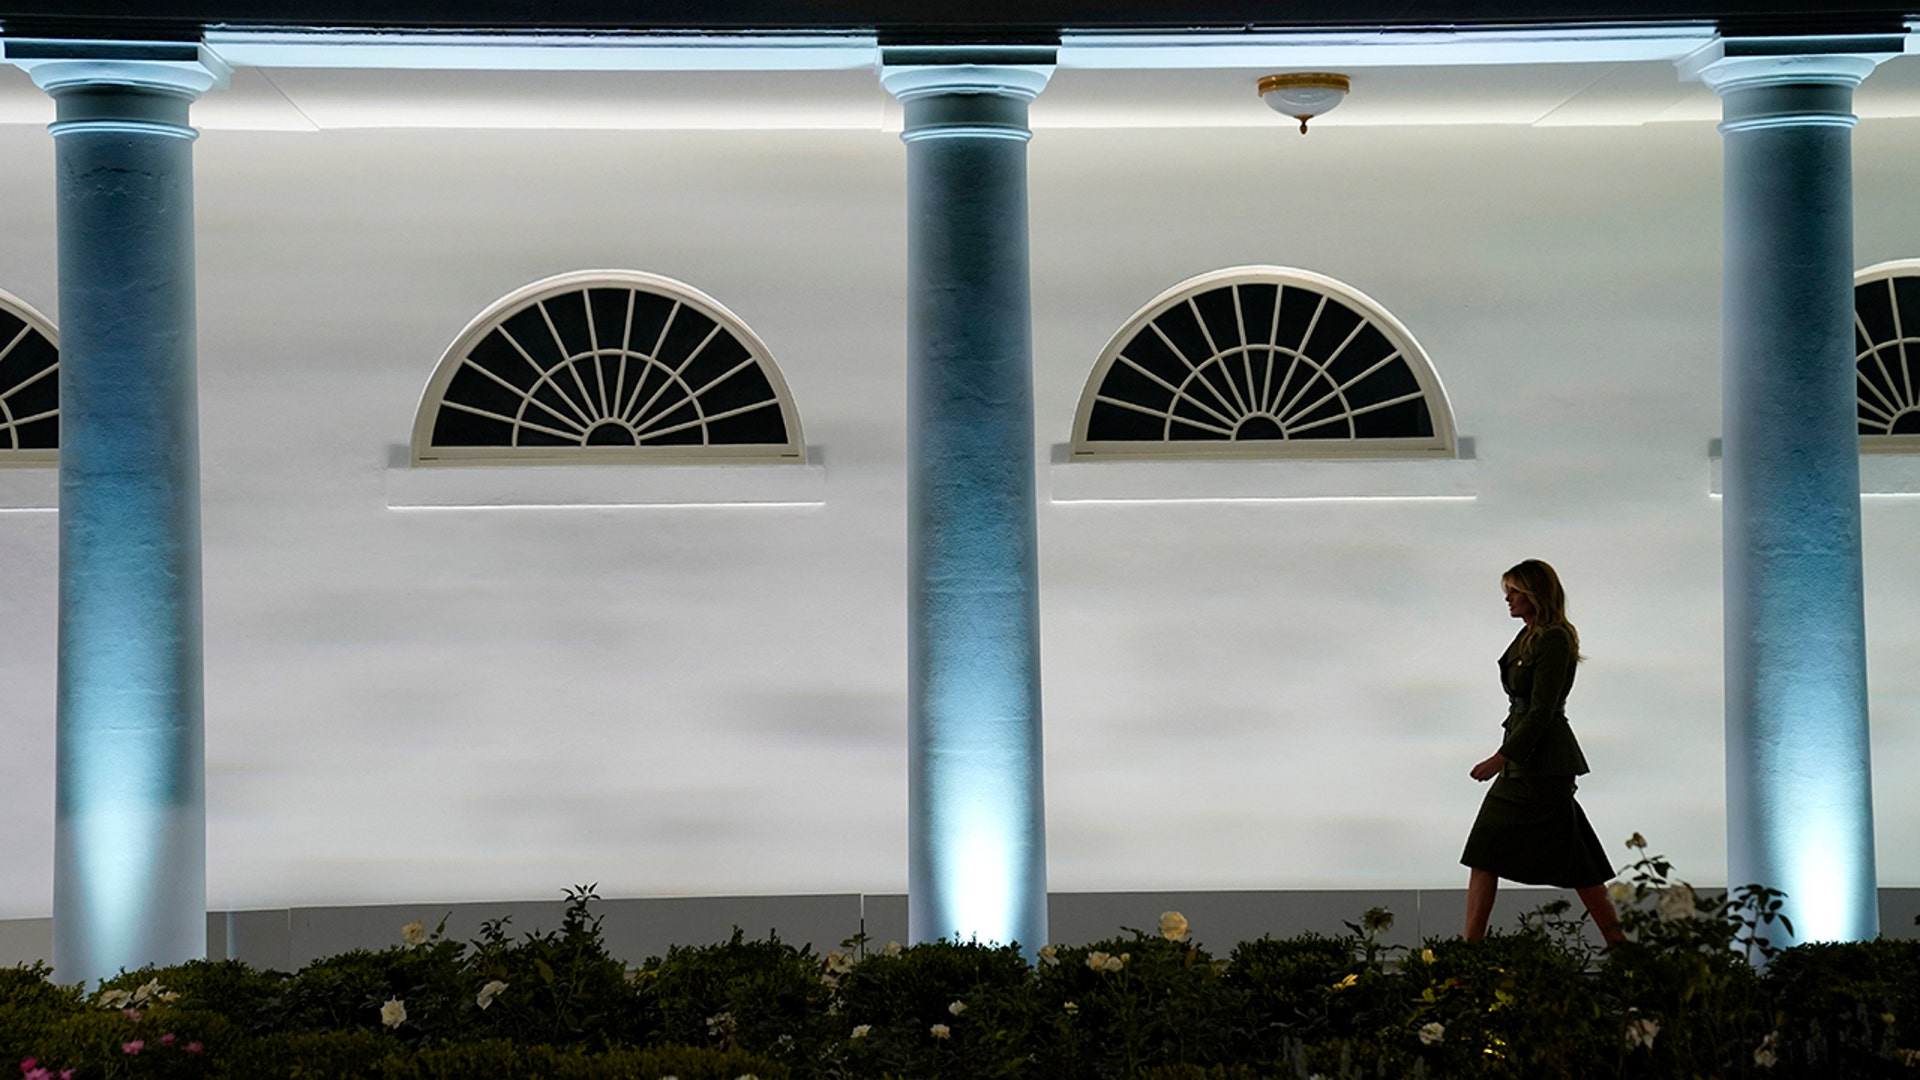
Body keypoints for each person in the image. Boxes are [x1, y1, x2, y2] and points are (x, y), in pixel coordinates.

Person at [1460, 558, 1625, 947]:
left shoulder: (1553, 638)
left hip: (1540, 765)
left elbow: (1542, 711)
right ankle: (1623, 951)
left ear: (1535, 594)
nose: (1509, 599)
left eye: (1515, 591)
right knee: (1570, 861)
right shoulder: (1530, 635)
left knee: (1489, 851)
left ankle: (1469, 954)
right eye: (1508, 592)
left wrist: (1500, 758)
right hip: (1529, 764)